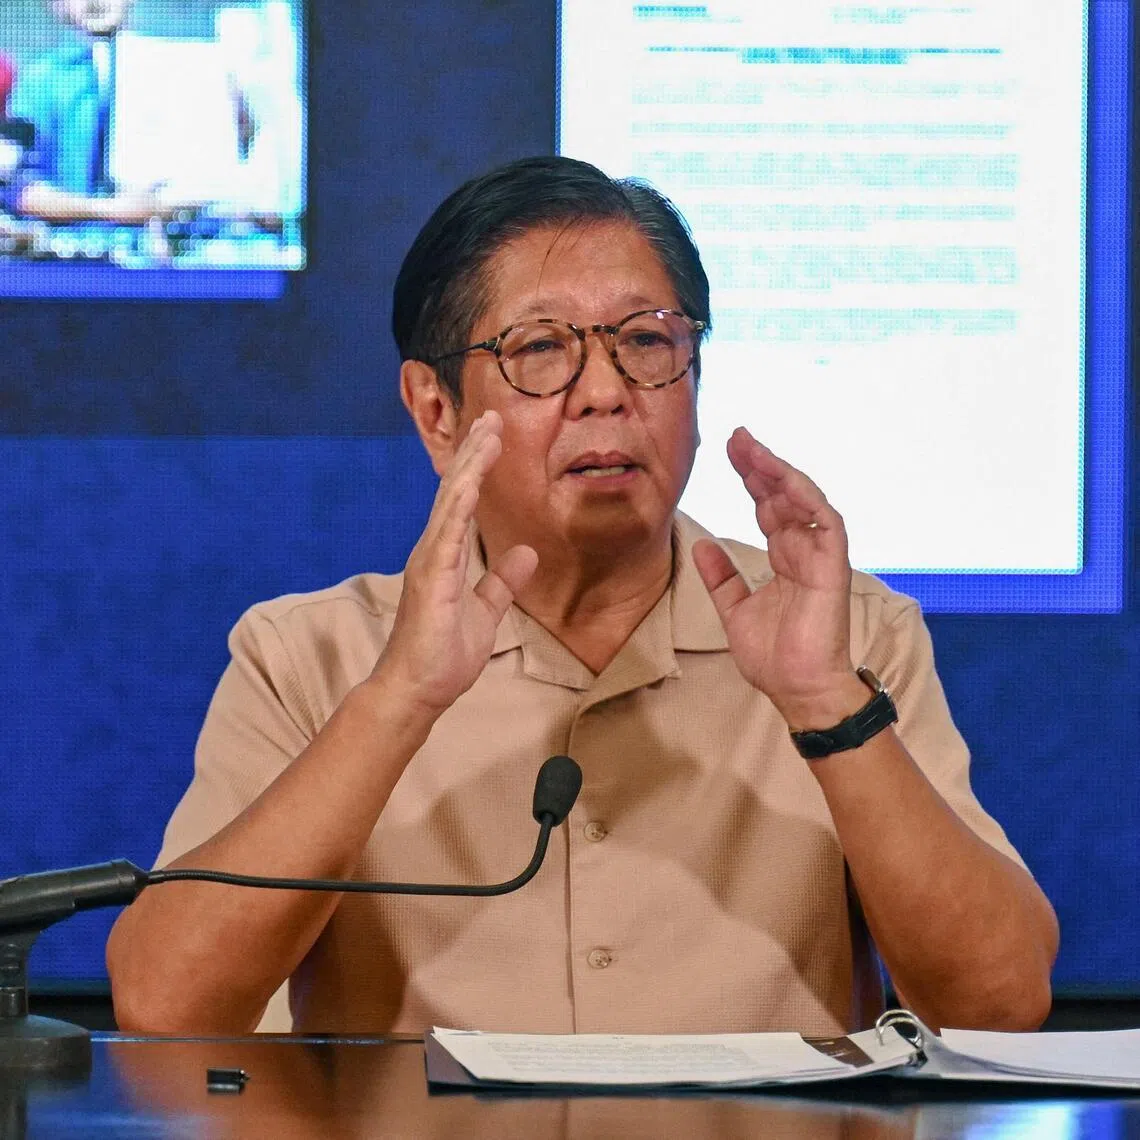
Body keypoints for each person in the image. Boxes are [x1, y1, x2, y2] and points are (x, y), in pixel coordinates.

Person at [106, 156, 1058, 1038]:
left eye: (647, 341)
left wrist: (825, 708)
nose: (606, 392)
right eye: (543, 349)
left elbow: (1000, 1001)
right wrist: (398, 701)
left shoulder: (845, 635)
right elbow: (169, 1006)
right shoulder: (305, 656)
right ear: (437, 411)